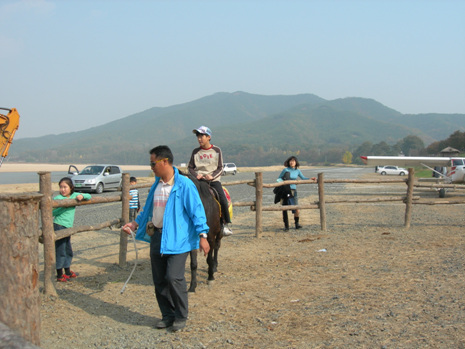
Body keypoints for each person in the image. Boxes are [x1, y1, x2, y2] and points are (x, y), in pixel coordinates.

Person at [123, 145, 210, 332]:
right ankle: (167, 315)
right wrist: (134, 224)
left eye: (153, 163)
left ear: (164, 161)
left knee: (174, 277)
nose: (151, 167)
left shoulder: (185, 185)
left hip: (179, 239)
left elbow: (197, 211)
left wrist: (203, 236)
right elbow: (147, 210)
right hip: (158, 237)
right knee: (160, 279)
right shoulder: (157, 184)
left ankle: (181, 315)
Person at [188, 125, 233, 236]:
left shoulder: (216, 150)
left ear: (209, 137)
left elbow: (220, 167)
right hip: (199, 181)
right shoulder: (195, 152)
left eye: (202, 136)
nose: (199, 139)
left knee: (222, 199)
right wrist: (196, 175)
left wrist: (212, 176)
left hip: (213, 180)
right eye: (198, 136)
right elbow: (190, 167)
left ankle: (225, 224)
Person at [53, 177, 91, 282]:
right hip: (59, 225)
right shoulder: (57, 198)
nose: (63, 189)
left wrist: (81, 195)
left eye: (65, 187)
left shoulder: (74, 196)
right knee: (60, 249)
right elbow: (51, 212)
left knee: (68, 249)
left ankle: (68, 271)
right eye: (61, 187)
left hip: (68, 227)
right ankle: (59, 274)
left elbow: (89, 196)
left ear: (71, 188)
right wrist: (63, 206)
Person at [277, 156, 312, 231]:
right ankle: (286, 226)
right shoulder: (285, 170)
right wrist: (282, 182)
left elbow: (303, 178)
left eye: (293, 161)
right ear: (288, 162)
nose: (292, 162)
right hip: (285, 190)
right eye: (290, 161)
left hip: (294, 191)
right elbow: (279, 178)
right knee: (285, 208)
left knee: (297, 208)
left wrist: (310, 179)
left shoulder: (297, 171)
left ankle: (297, 224)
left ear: (296, 162)